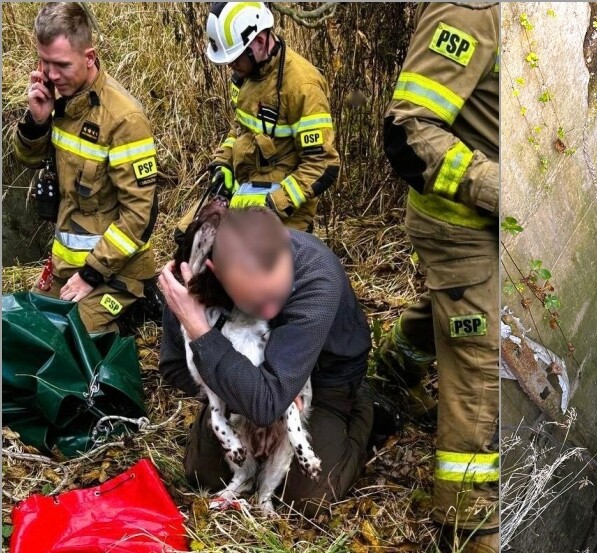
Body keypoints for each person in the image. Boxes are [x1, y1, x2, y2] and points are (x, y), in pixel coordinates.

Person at [381, 2, 500, 553]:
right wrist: (497, 187)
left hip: (487, 220)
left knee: (451, 314)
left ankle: (395, 370)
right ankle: (467, 522)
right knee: (479, 358)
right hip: (461, 226)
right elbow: (407, 130)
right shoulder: (468, 11)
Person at [159, 205, 374, 517]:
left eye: (279, 288)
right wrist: (197, 329)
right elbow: (174, 367)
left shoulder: (316, 273)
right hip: (249, 385)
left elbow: (268, 405)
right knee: (203, 476)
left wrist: (204, 335)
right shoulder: (194, 285)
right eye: (257, 296)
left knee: (305, 501)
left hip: (324, 379)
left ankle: (363, 409)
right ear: (218, 272)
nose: (272, 305)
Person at [13, 2, 158, 334]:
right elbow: (29, 160)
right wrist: (37, 122)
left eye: (61, 65)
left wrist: (91, 274)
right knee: (25, 332)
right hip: (67, 267)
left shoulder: (123, 119)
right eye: (45, 62)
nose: (50, 75)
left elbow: (139, 214)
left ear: (89, 57)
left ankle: (138, 307)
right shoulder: (60, 99)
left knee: (68, 342)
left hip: (116, 273)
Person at [176, 1, 341, 236]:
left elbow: (321, 163)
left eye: (235, 57)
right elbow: (240, 130)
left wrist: (275, 204)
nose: (230, 65)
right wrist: (223, 164)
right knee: (186, 235)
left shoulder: (302, 87)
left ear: (260, 41)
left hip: (282, 208)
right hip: (244, 188)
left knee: (233, 259)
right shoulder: (246, 75)